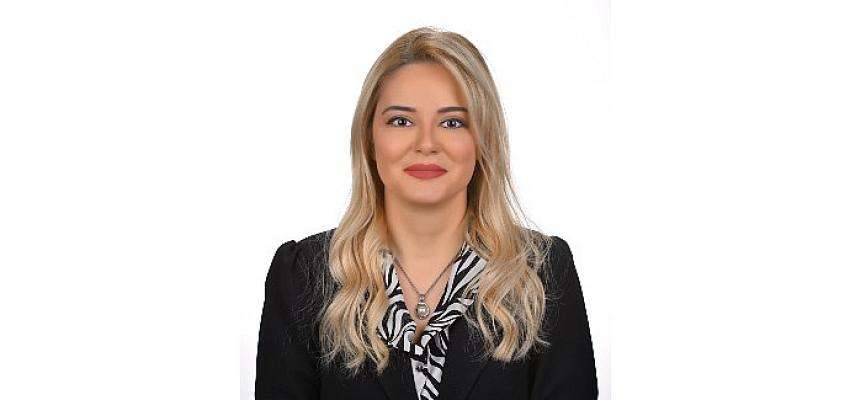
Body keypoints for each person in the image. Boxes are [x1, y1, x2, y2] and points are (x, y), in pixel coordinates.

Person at [255, 26, 598, 400]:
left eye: (452, 122)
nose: (426, 143)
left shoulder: (542, 273)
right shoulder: (302, 275)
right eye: (401, 121)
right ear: (369, 138)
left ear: (482, 139)